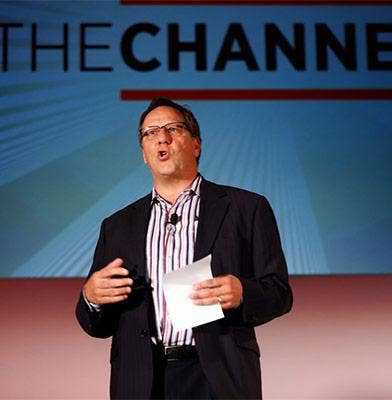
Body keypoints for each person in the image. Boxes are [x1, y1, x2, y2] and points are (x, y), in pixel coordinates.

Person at [76, 97, 293, 399]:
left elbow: (280, 293)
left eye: (173, 129)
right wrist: (91, 297)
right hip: (141, 380)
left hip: (218, 375)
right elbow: (97, 325)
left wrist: (243, 292)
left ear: (196, 145)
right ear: (144, 154)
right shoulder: (117, 226)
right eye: (150, 133)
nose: (161, 138)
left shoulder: (246, 208)